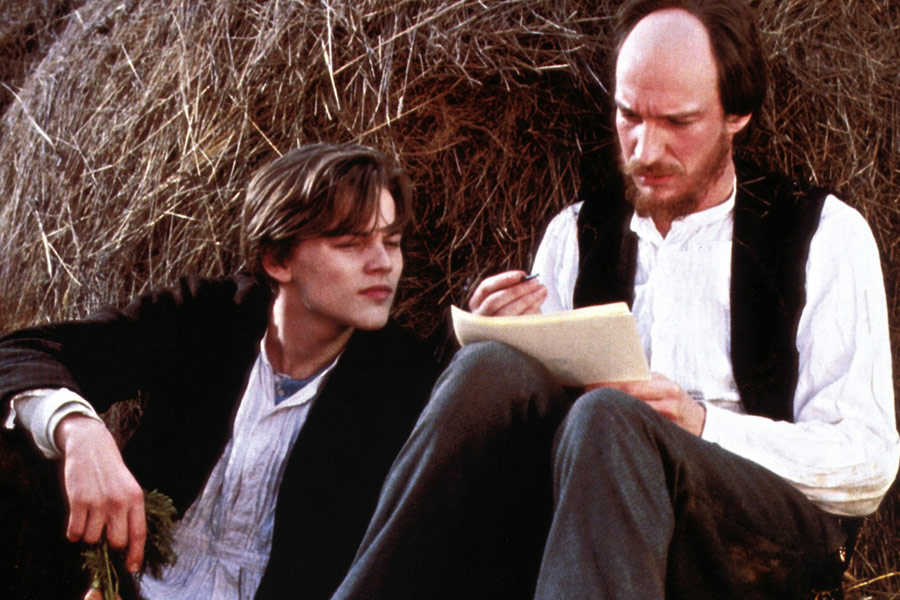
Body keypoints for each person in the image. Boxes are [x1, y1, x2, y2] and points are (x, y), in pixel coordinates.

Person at [330, 1, 899, 598]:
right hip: (598, 512)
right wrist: (502, 341)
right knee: (488, 370)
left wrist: (704, 425)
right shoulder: (577, 233)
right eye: (630, 116)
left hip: (753, 538)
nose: (646, 150)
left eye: (678, 122)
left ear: (737, 115)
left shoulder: (821, 233)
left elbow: (866, 463)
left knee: (611, 417)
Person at [0, 143, 438, 599]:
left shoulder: (405, 380)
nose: (383, 264)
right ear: (278, 260)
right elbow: (20, 353)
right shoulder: (209, 317)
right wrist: (79, 430)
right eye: (351, 244)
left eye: (391, 242)